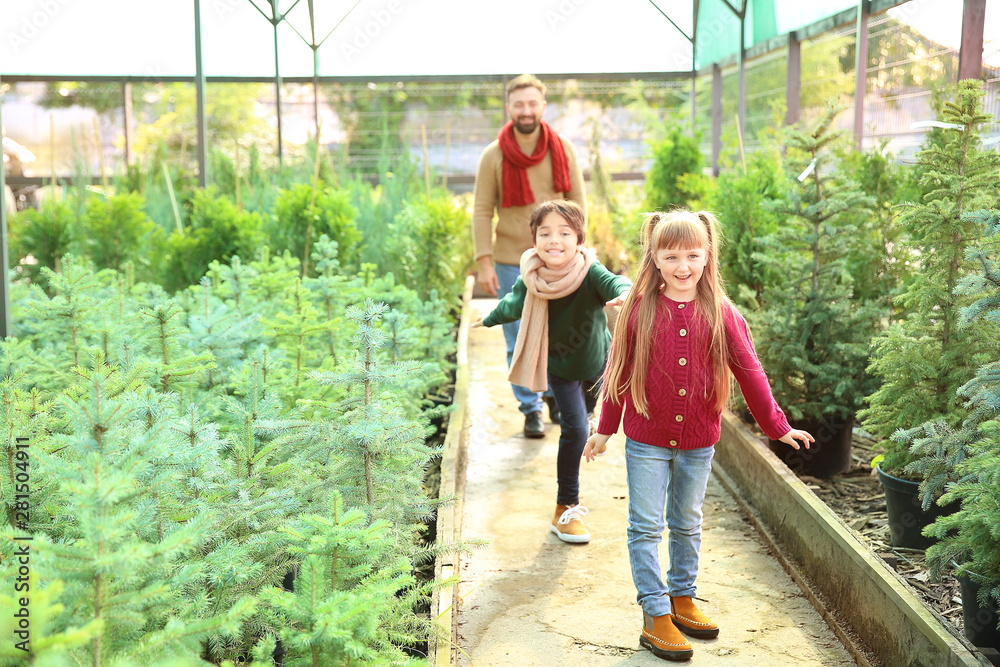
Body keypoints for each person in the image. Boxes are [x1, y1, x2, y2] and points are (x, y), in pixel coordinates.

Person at [583, 209, 813, 661]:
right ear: (654, 258)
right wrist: (604, 428)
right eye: (671, 256)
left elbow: (750, 372)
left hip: (699, 442)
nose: (683, 266)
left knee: (686, 521)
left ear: (708, 256)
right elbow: (617, 373)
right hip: (646, 440)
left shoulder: (721, 311)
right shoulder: (639, 308)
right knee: (646, 526)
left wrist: (777, 426)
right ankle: (654, 613)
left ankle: (682, 597)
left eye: (693, 255)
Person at [473, 200, 630, 544]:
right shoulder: (532, 277)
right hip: (559, 366)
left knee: (588, 413)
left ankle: (588, 417)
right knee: (573, 429)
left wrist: (626, 293)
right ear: (534, 240)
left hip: (598, 361)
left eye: (564, 232)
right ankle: (565, 507)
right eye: (545, 233)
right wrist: (488, 318)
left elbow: (615, 283)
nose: (554, 240)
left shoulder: (590, 271)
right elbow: (513, 304)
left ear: (578, 239)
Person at [472, 73, 587, 439]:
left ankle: (554, 394)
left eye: (532, 103)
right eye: (518, 104)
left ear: (543, 106)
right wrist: (484, 261)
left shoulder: (562, 149)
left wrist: (580, 251)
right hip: (510, 261)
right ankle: (530, 408)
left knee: (558, 331)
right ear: (509, 108)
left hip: (559, 258)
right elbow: (480, 211)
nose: (526, 110)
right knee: (518, 336)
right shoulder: (493, 155)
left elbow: (578, 204)